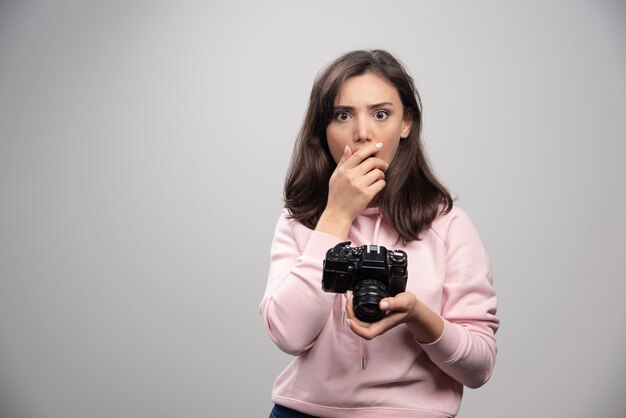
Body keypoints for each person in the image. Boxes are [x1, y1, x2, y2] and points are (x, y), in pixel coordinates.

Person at [260, 49, 499, 418]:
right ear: (323, 129)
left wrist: (418, 316)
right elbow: (288, 335)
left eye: (381, 114)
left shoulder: (448, 225)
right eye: (343, 115)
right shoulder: (300, 219)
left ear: (406, 124)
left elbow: (478, 367)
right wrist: (335, 217)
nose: (362, 133)